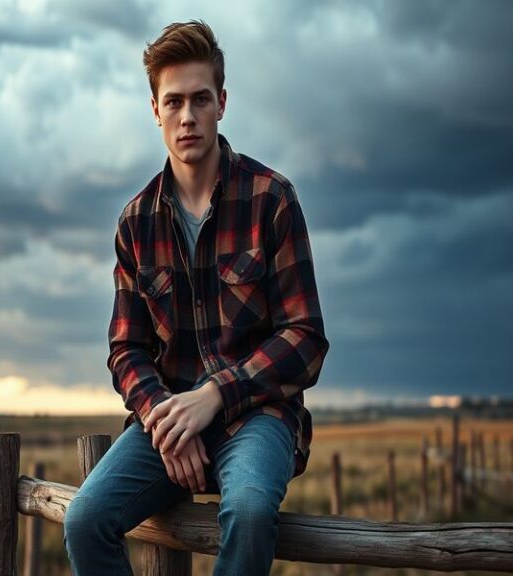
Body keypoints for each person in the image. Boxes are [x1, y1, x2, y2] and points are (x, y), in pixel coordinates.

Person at [63, 20, 328, 575]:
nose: (188, 116)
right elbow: (125, 349)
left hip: (257, 416)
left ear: (222, 103)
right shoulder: (135, 222)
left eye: (200, 100)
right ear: (154, 110)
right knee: (84, 519)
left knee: (252, 512)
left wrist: (214, 396)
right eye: (174, 101)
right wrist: (165, 418)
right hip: (167, 420)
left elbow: (304, 339)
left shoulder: (271, 199)